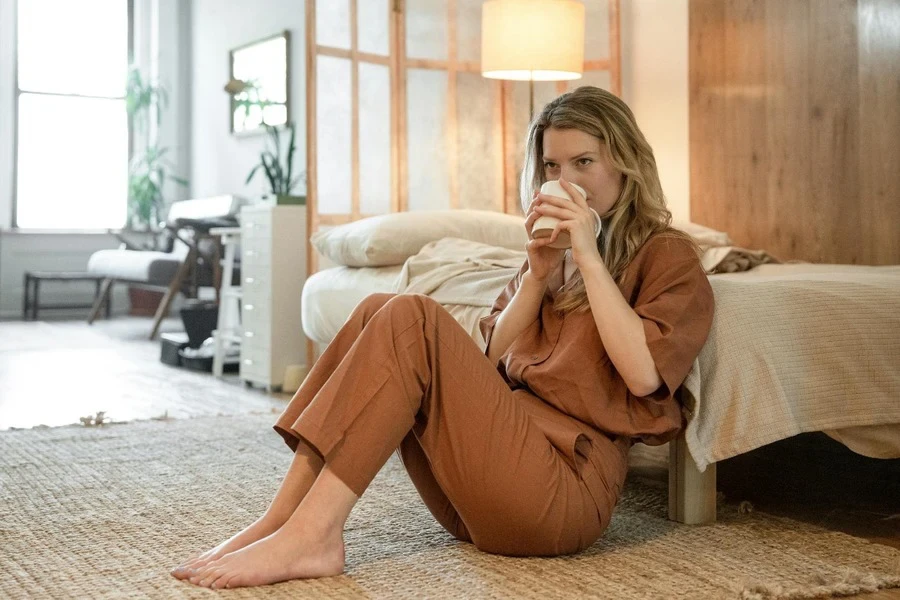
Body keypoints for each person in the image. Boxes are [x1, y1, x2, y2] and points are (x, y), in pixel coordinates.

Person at [171, 86, 714, 589]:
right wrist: (538, 276)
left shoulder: (666, 254)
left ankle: (313, 535)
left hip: (562, 496)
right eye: (551, 165)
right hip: (481, 489)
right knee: (378, 311)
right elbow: (492, 364)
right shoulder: (551, 256)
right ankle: (282, 521)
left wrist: (590, 259)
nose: (565, 179)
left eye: (584, 162)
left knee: (414, 317)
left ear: (625, 162)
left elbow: (644, 377)